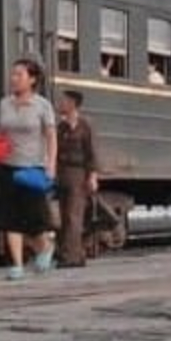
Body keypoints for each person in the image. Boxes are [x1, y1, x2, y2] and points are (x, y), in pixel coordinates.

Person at [0, 58, 58, 280]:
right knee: (10, 219)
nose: (14, 79)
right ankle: (17, 265)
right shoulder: (5, 103)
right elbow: (2, 131)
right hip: (7, 166)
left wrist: (50, 164)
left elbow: (51, 137)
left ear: (32, 79)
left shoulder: (42, 105)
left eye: (19, 75)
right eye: (13, 74)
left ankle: (46, 247)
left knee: (34, 219)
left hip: (32, 168)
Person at [54, 89, 99, 268]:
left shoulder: (85, 125)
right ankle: (76, 254)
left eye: (64, 101)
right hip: (63, 173)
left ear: (73, 104)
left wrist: (92, 176)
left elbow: (92, 152)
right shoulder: (61, 127)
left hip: (79, 173)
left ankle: (69, 257)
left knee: (74, 215)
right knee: (65, 215)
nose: (60, 103)